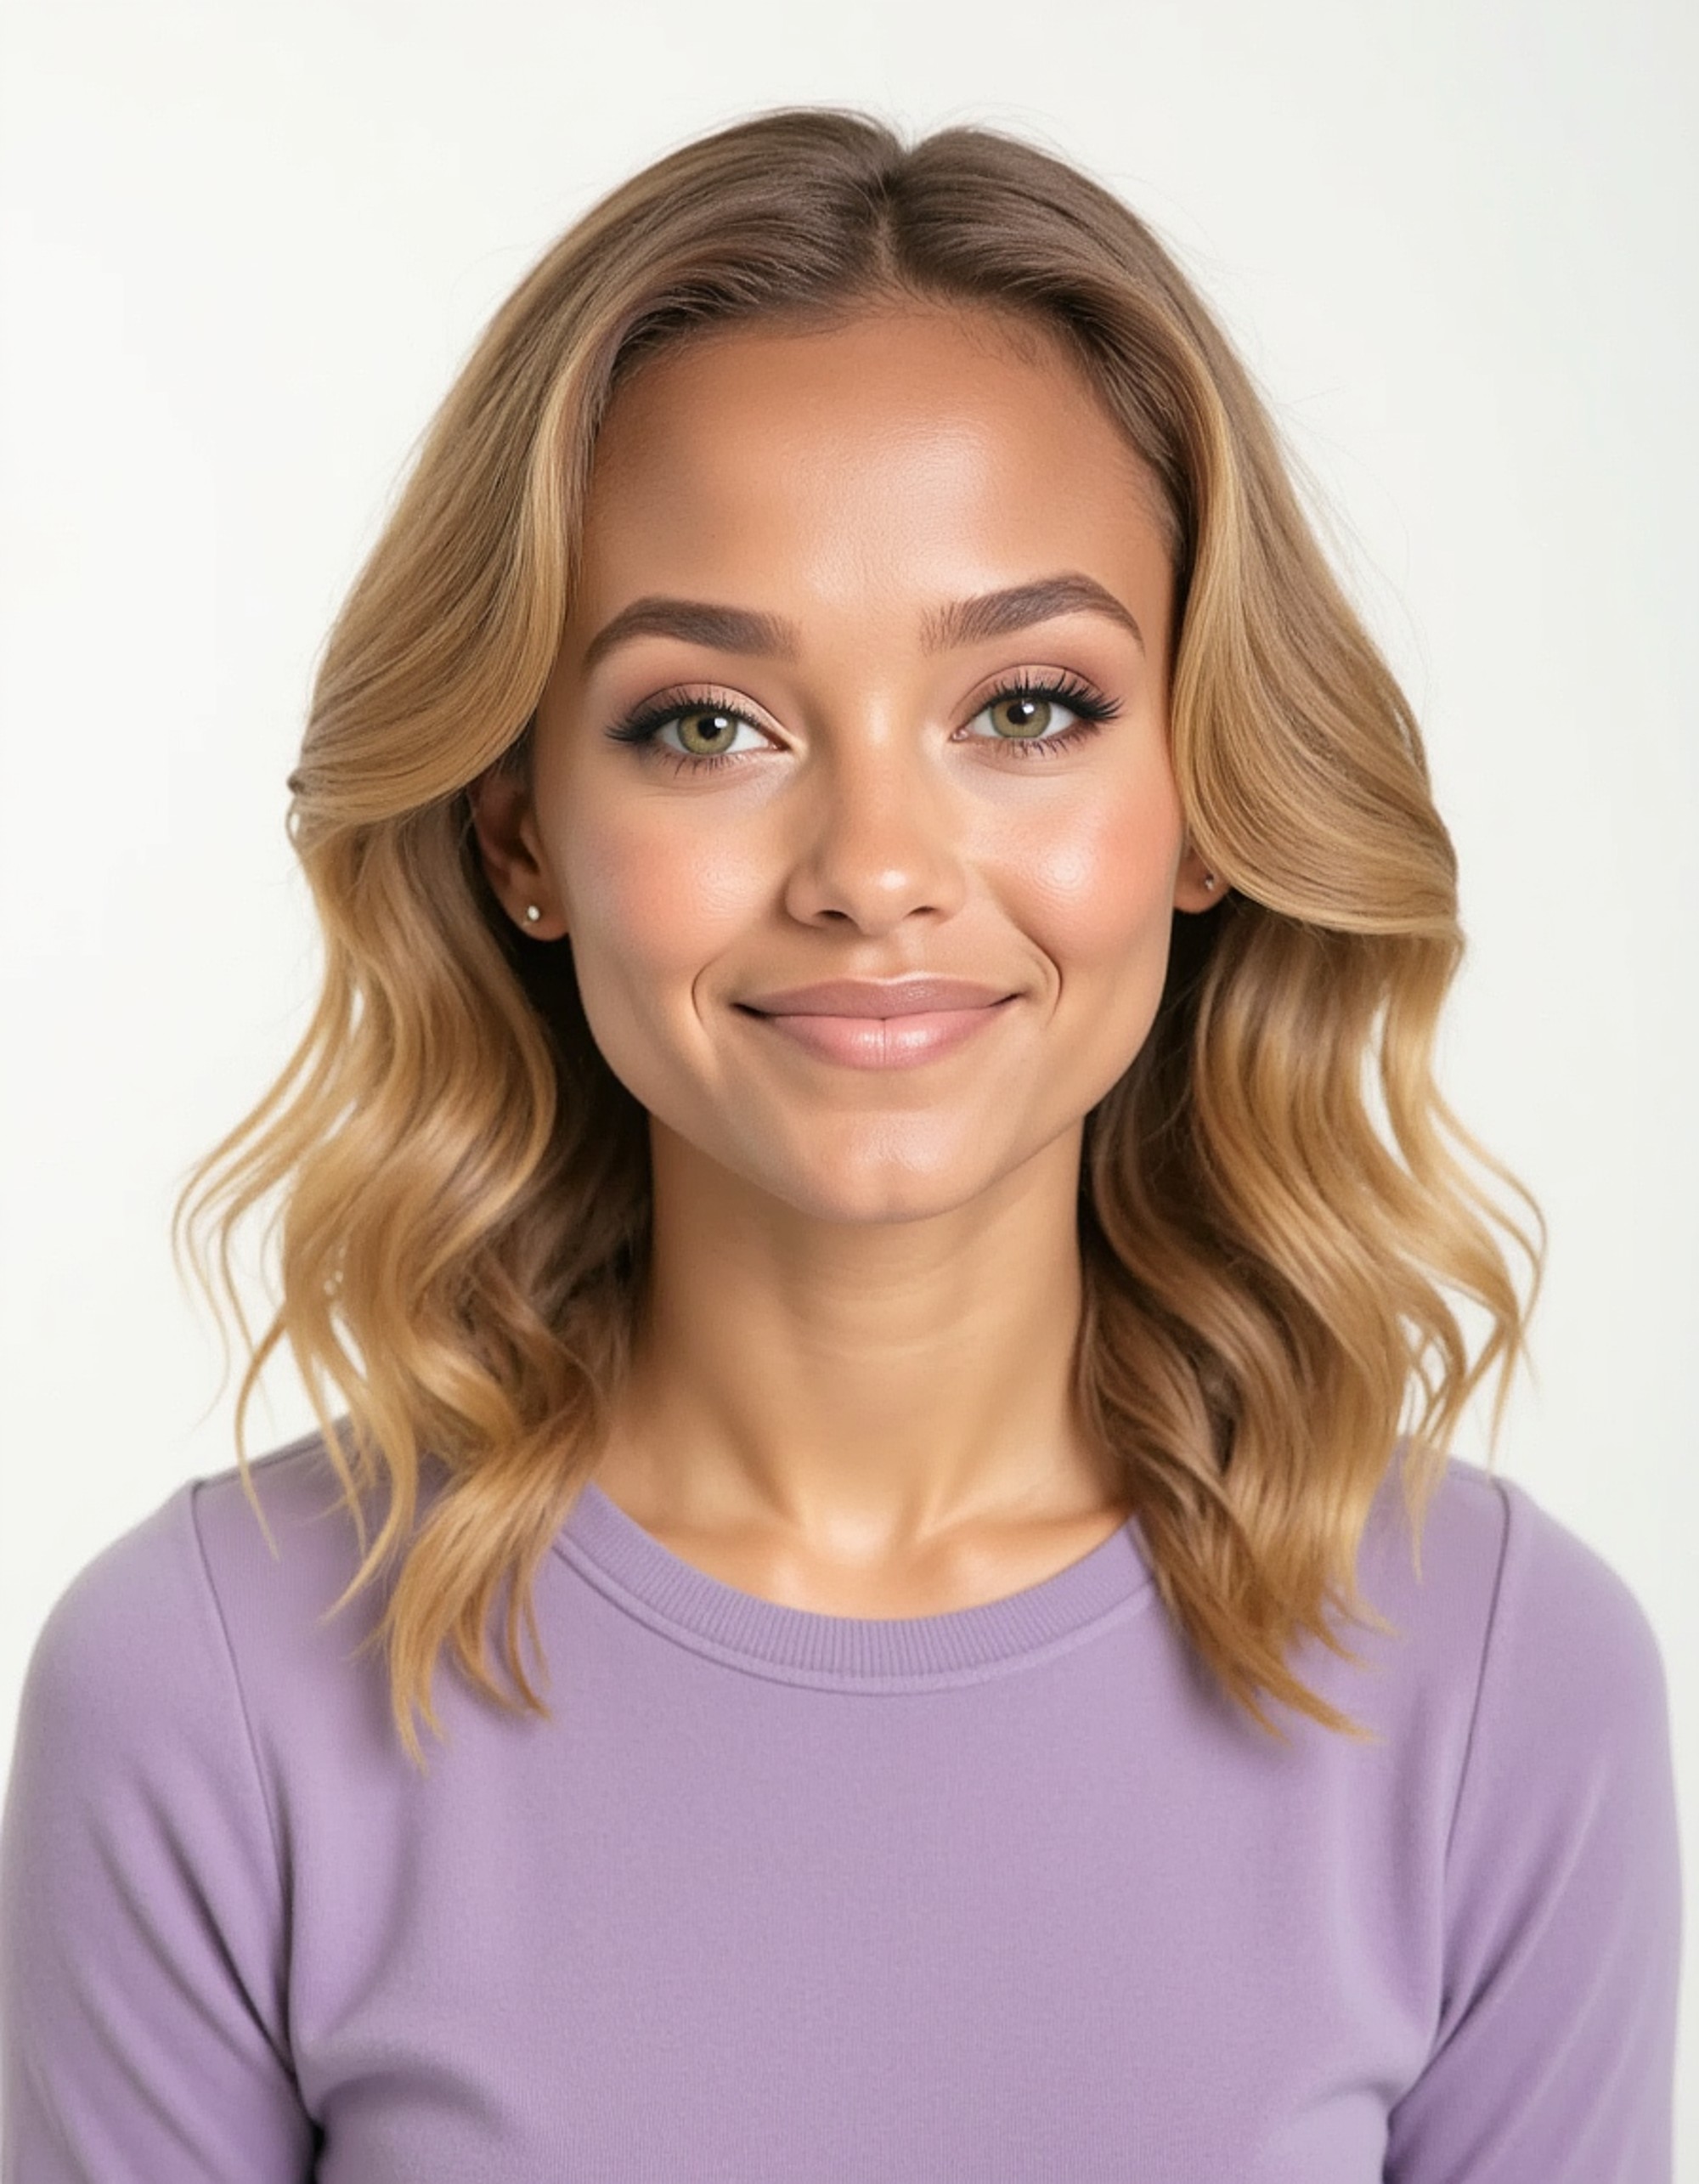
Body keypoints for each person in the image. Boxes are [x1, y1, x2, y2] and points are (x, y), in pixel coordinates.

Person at [0, 106, 1680, 2183]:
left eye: (1028, 705)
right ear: (523, 833)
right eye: (705, 720)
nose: (877, 868)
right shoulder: (213, 1689)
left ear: (1209, 790)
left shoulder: (1499, 1685)